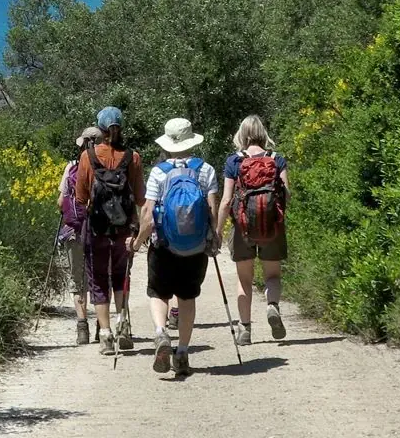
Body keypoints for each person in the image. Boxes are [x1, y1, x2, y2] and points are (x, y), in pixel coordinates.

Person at [130, 117, 221, 376]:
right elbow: (212, 208)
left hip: (164, 245)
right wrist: (214, 236)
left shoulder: (159, 172)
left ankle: (161, 334)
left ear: (168, 143)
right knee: (187, 297)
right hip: (195, 247)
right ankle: (182, 352)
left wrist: (138, 242)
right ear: (191, 140)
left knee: (158, 293)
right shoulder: (206, 170)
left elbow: (147, 213)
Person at [216, 115, 290, 345]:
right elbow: (286, 194)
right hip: (272, 226)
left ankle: (245, 330)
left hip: (242, 227)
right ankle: (272, 306)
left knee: (244, 280)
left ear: (242, 134)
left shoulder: (234, 162)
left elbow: (227, 200)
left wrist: (217, 230)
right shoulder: (277, 159)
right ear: (262, 132)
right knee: (272, 275)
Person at [77, 107, 143, 355]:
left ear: (100, 130)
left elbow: (81, 196)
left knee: (97, 279)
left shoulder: (88, 156)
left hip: (97, 228)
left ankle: (105, 335)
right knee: (121, 276)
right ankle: (123, 324)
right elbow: (139, 196)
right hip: (124, 228)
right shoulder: (132, 157)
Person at [56, 126, 100, 345]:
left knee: (77, 280)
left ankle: (82, 329)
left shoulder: (72, 167)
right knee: (101, 279)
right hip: (101, 232)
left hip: (75, 231)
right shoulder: (110, 165)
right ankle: (104, 328)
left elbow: (60, 202)